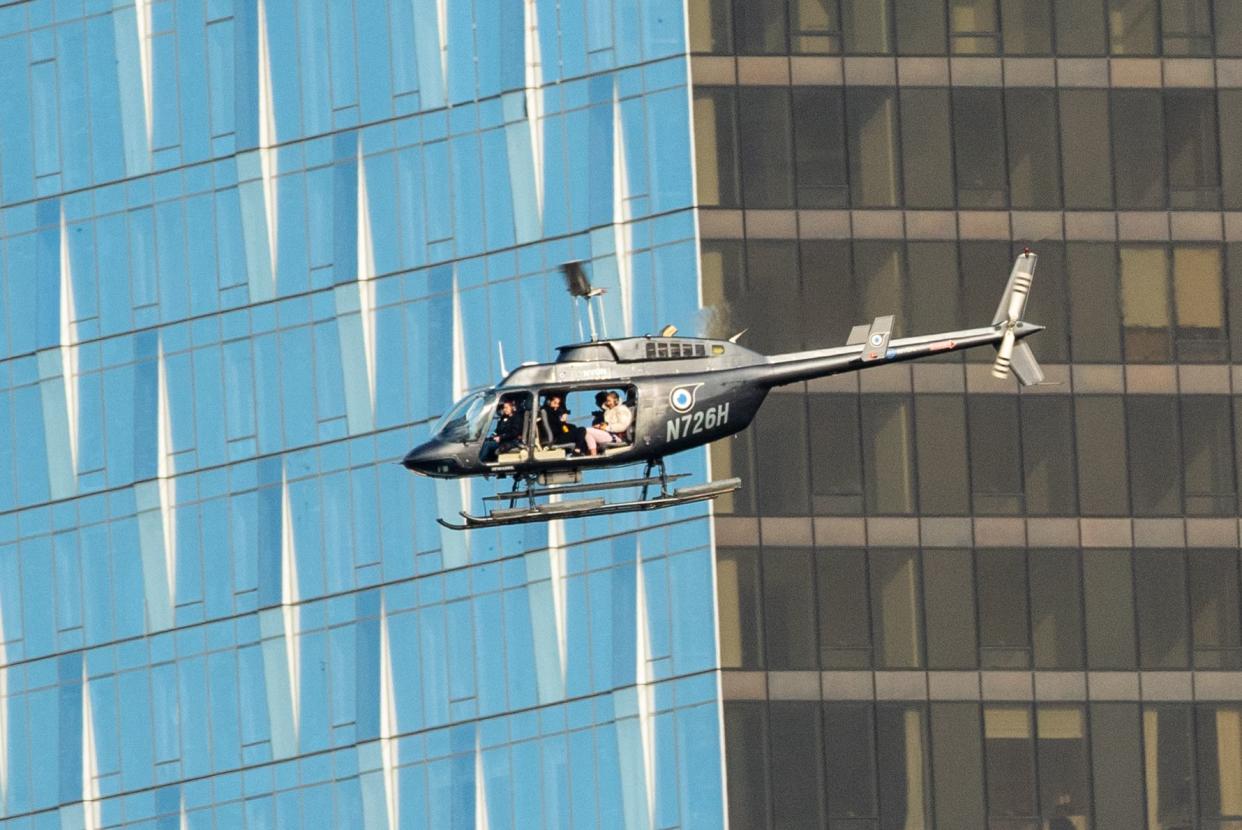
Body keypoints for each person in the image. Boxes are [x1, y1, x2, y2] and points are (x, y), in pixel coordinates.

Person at [583, 391, 632, 455]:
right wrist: (600, 426)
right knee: (585, 431)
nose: (607, 403)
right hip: (610, 434)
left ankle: (593, 455)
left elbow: (623, 426)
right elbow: (609, 423)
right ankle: (592, 455)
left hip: (617, 437)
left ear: (615, 400)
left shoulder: (621, 409)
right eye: (606, 401)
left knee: (587, 430)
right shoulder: (609, 411)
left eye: (609, 401)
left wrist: (605, 427)